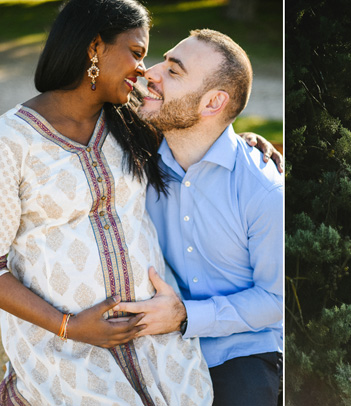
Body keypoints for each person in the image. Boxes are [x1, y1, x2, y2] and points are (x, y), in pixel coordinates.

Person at [0, 0, 215, 404]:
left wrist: (248, 145)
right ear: (95, 47)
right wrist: (70, 326)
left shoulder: (132, 123)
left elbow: (202, 128)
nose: (141, 68)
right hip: (65, 350)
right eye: (136, 52)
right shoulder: (11, 141)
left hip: (156, 342)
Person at [114, 29, 284, 406]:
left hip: (241, 350)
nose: (151, 72)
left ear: (213, 103)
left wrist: (186, 315)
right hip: (158, 342)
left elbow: (275, 299)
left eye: (174, 71)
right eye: (163, 60)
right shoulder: (137, 160)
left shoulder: (265, 192)